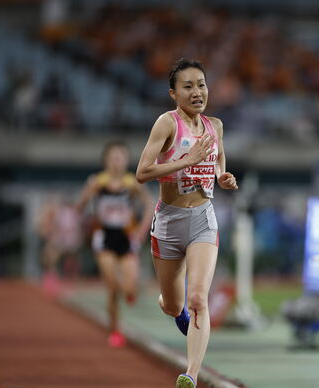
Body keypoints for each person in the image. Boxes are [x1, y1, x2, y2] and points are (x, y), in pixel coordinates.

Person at [135, 59, 238, 388]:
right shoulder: (167, 124)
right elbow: (142, 173)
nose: (197, 92)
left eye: (202, 85)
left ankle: (190, 375)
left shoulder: (215, 126)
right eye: (188, 86)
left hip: (202, 220)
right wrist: (185, 161)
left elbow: (219, 157)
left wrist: (221, 175)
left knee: (198, 300)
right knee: (174, 304)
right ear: (173, 94)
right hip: (168, 222)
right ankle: (172, 307)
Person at [76, 140, 154, 347]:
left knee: (128, 288)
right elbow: (80, 207)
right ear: (106, 160)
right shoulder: (97, 181)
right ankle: (115, 329)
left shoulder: (132, 183)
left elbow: (150, 205)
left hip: (127, 236)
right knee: (112, 285)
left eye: (121, 157)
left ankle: (129, 294)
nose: (117, 161)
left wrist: (141, 230)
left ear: (126, 160)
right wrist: (87, 195)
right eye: (113, 157)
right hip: (104, 236)